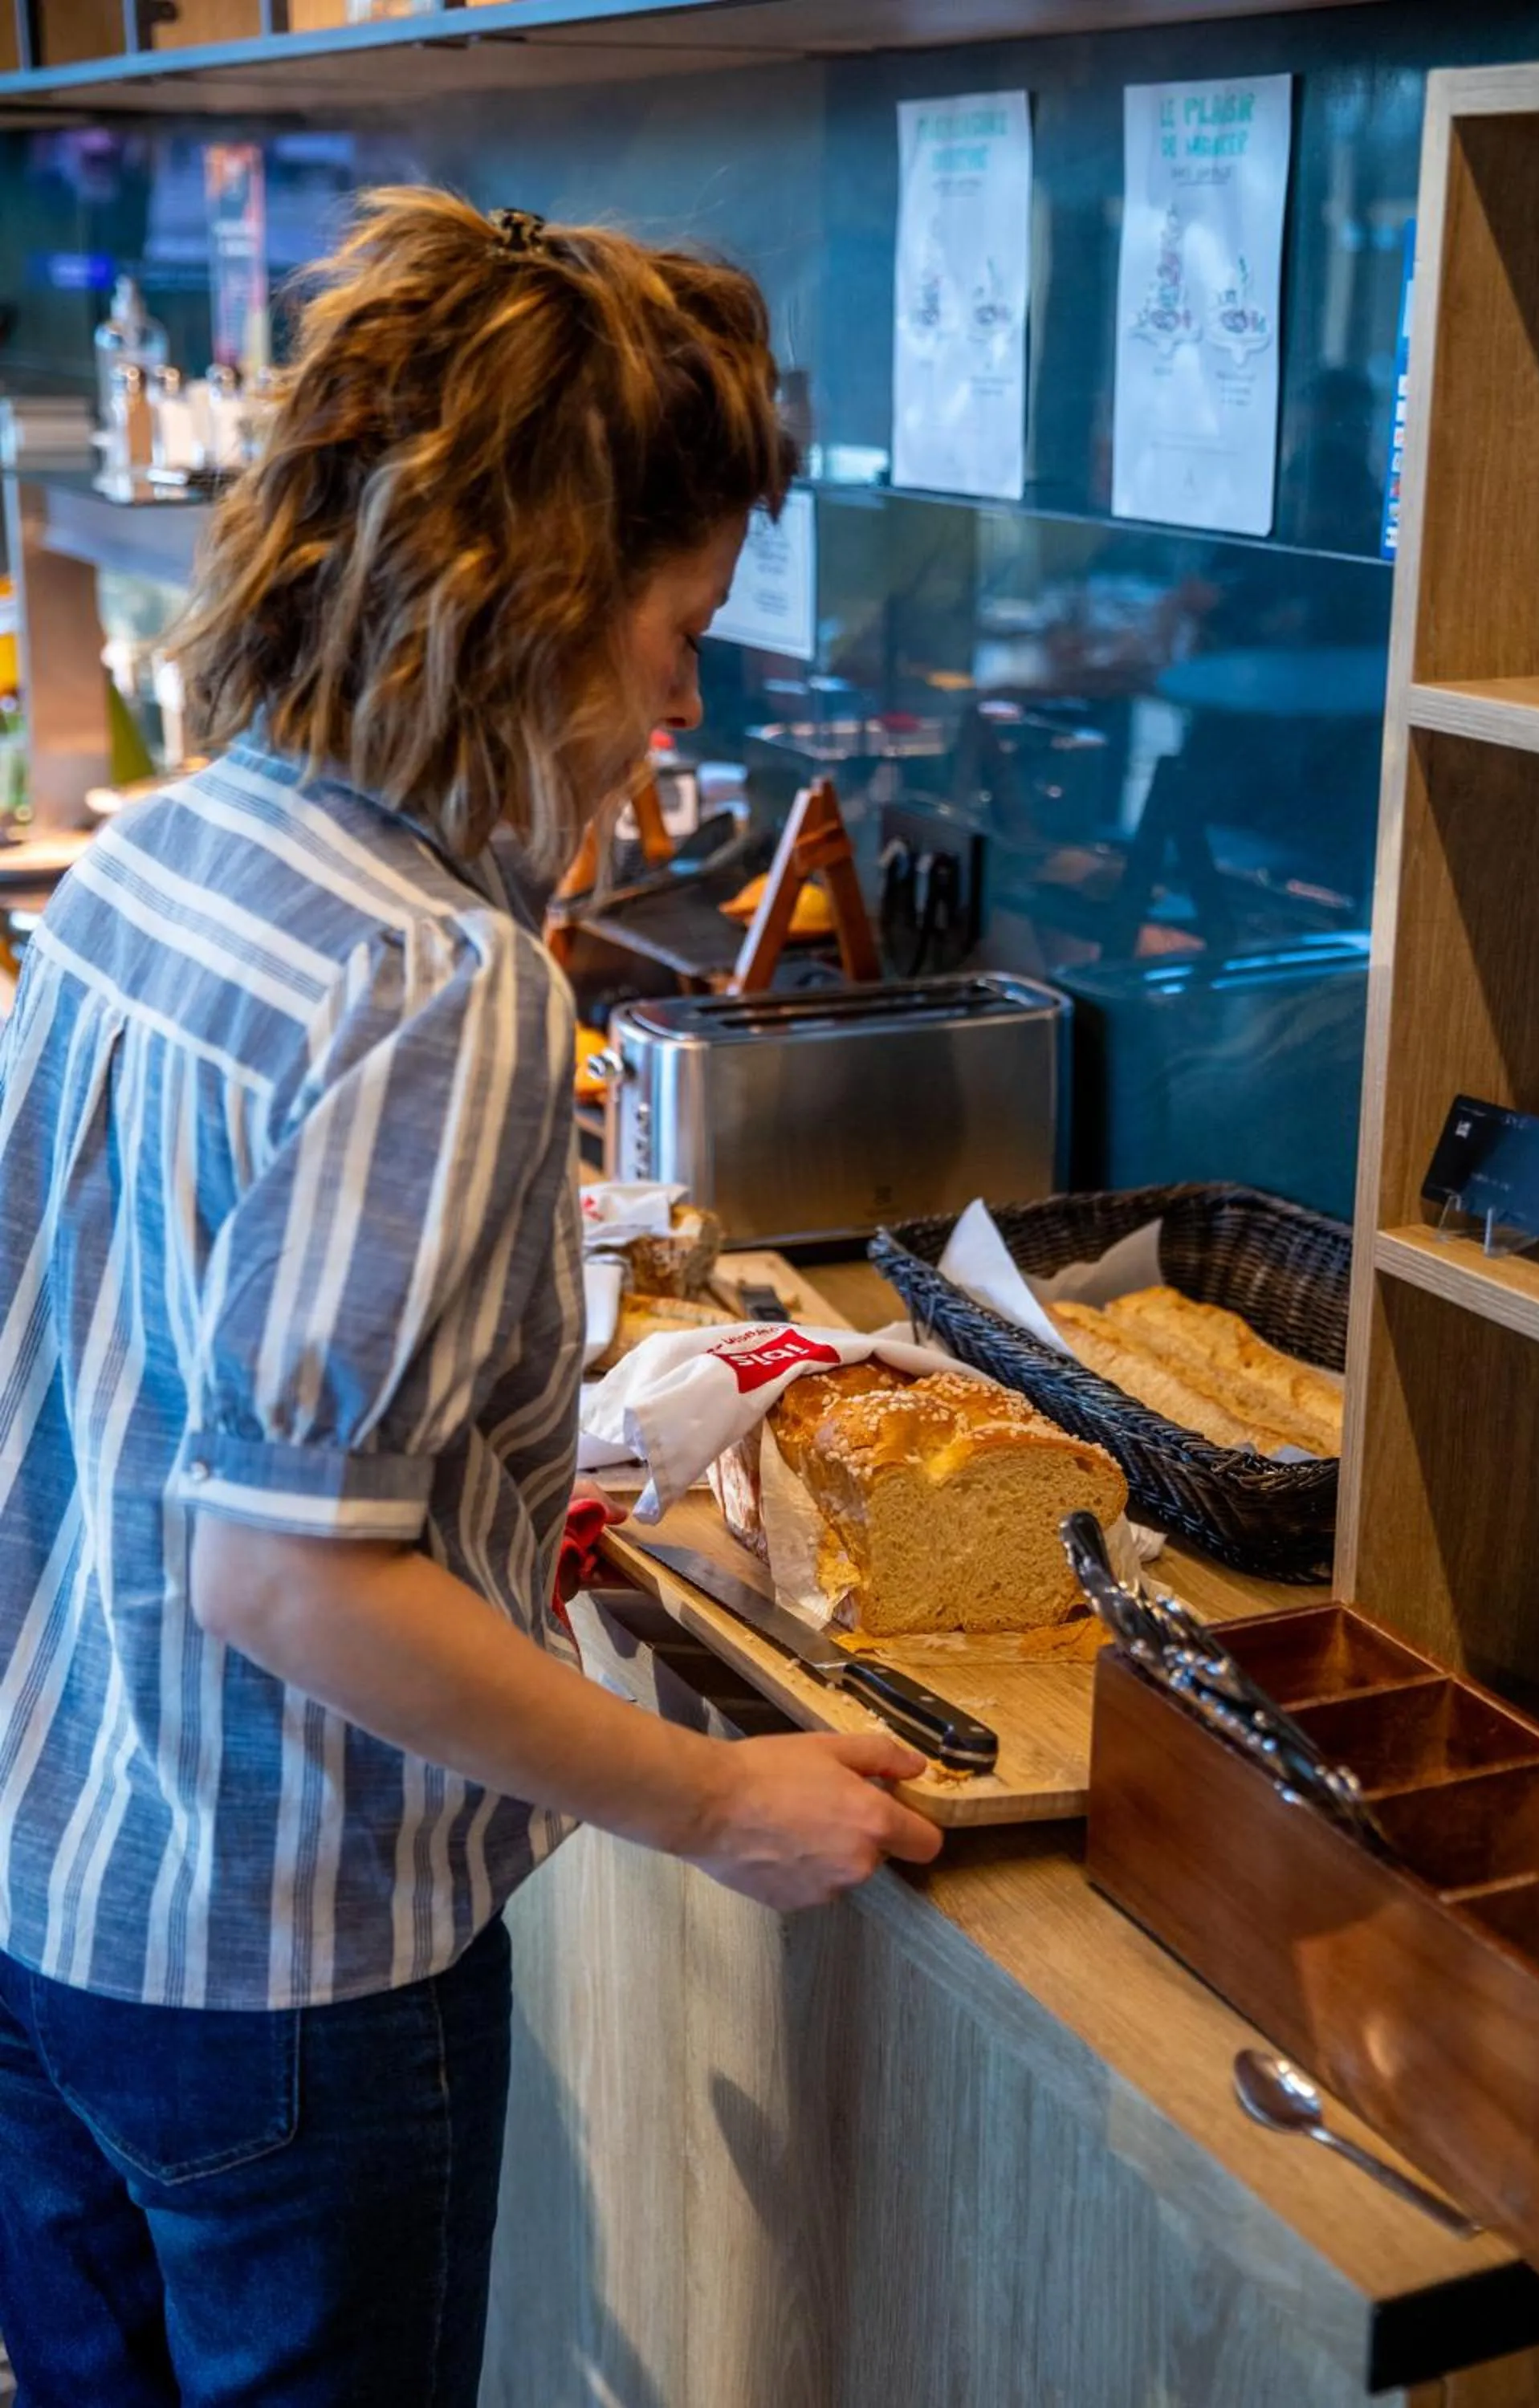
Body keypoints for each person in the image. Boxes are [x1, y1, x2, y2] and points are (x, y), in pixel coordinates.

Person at [0, 189, 939, 2407]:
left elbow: (125, 1390)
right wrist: (723, 1803)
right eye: (675, 628)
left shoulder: (160, 849)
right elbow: (291, 1587)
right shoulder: (438, 982)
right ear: (530, 603)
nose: (680, 697)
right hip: (289, 1977)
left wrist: (502, 1510)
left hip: (48, 1906)